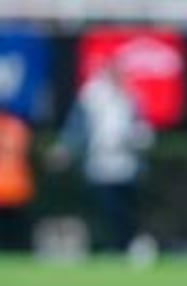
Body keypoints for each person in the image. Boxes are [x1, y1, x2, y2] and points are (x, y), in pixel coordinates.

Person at [48, 60, 156, 264]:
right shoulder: (91, 97)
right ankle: (116, 246)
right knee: (108, 207)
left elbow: (142, 129)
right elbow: (76, 128)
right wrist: (64, 149)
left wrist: (137, 138)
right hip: (101, 163)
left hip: (127, 164)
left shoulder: (130, 98)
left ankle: (130, 245)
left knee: (127, 209)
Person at [0, 110, 34, 251]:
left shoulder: (16, 127)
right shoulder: (18, 127)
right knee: (16, 228)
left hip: (13, 185)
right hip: (16, 185)